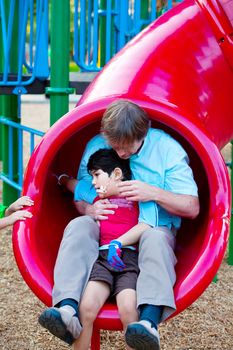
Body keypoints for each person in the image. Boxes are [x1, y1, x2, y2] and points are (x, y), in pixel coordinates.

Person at [39, 99, 200, 350]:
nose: (121, 154)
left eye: (127, 148)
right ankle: (66, 306)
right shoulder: (98, 146)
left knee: (155, 238)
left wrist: (154, 193)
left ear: (143, 133)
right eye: (116, 147)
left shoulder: (168, 150)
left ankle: (149, 319)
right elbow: (82, 191)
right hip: (105, 236)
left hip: (150, 229)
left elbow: (192, 207)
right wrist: (90, 209)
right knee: (80, 224)